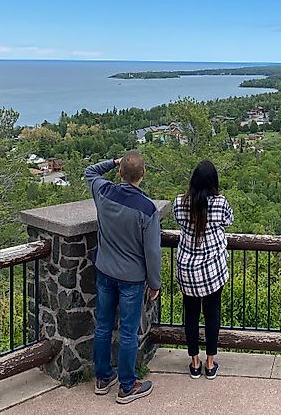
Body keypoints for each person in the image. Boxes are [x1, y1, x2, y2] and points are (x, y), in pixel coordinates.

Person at [85, 151, 161, 404]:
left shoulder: (104, 192)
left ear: (119, 173)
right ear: (143, 175)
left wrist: (113, 161)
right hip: (131, 277)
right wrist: (155, 283)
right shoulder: (147, 209)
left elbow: (90, 171)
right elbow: (152, 251)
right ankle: (127, 386)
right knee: (128, 332)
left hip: (105, 271)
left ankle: (103, 377)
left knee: (103, 325)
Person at [173, 160, 234, 379]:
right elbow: (229, 220)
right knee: (212, 315)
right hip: (212, 269)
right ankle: (210, 363)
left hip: (187, 269)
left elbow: (179, 220)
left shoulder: (180, 202)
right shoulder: (219, 202)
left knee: (190, 315)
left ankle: (194, 363)